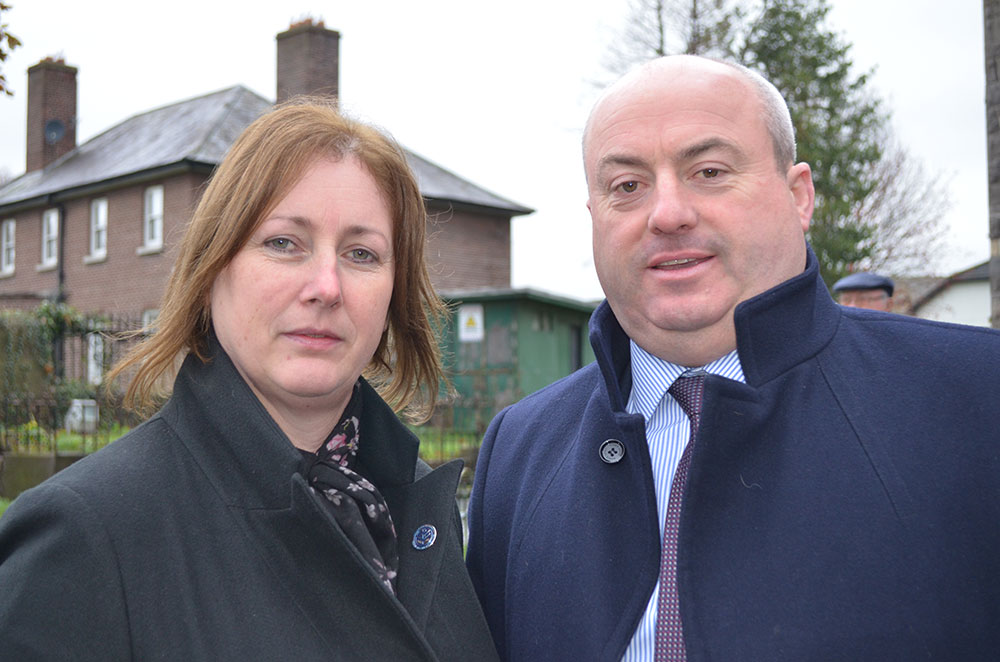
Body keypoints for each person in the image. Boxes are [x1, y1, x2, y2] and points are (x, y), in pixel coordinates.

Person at [466, 55, 1000, 661]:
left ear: (799, 196)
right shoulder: (521, 448)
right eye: (627, 186)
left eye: (709, 171)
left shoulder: (976, 400)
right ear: (594, 217)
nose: (667, 214)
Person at [0, 99, 499, 661]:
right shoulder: (85, 536)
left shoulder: (416, 509)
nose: (327, 287)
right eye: (283, 243)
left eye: (362, 253)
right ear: (213, 268)